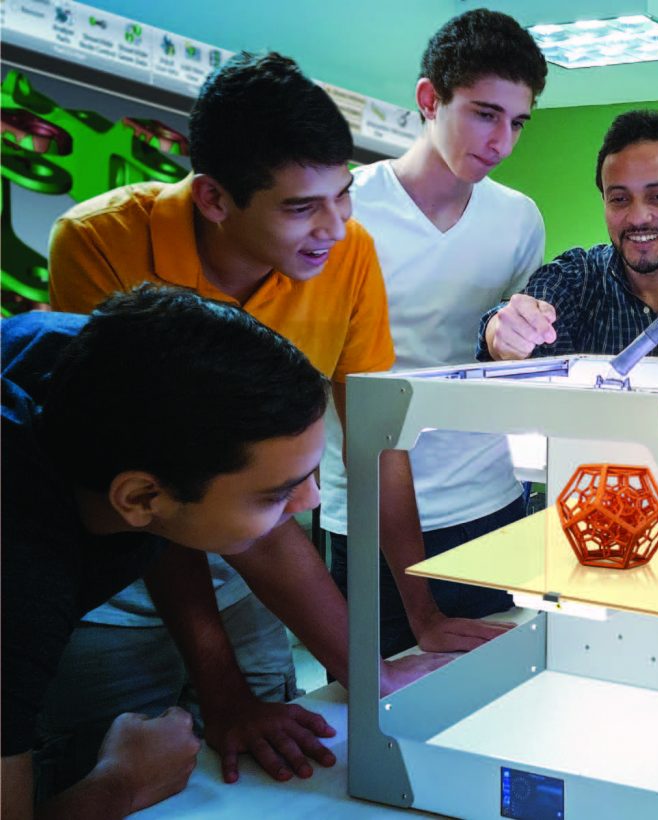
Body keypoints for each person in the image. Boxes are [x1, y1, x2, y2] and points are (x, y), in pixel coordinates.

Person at [44, 52, 411, 789]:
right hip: (124, 578)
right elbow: (158, 495)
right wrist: (220, 687)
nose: (336, 228)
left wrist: (385, 665)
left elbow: (372, 444)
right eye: (301, 207)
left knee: (276, 754)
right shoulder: (100, 241)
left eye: (344, 195)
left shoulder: (347, 252)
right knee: (123, 766)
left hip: (256, 552)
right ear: (214, 198)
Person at [1, 287, 409, 818]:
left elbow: (246, 534)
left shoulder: (113, 366)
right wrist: (120, 784)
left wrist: (375, 678)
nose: (312, 500)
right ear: (140, 499)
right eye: (276, 494)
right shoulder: (20, 582)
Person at [318, 9, 547, 659]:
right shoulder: (347, 212)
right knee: (379, 699)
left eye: (517, 122)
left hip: (491, 504)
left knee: (504, 690)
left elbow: (510, 362)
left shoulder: (519, 221)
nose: (502, 141)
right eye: (484, 114)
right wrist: (421, 609)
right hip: (366, 515)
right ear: (429, 99)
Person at [479, 109, 658, 360]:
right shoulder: (579, 279)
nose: (638, 217)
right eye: (619, 199)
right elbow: (522, 312)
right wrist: (505, 332)